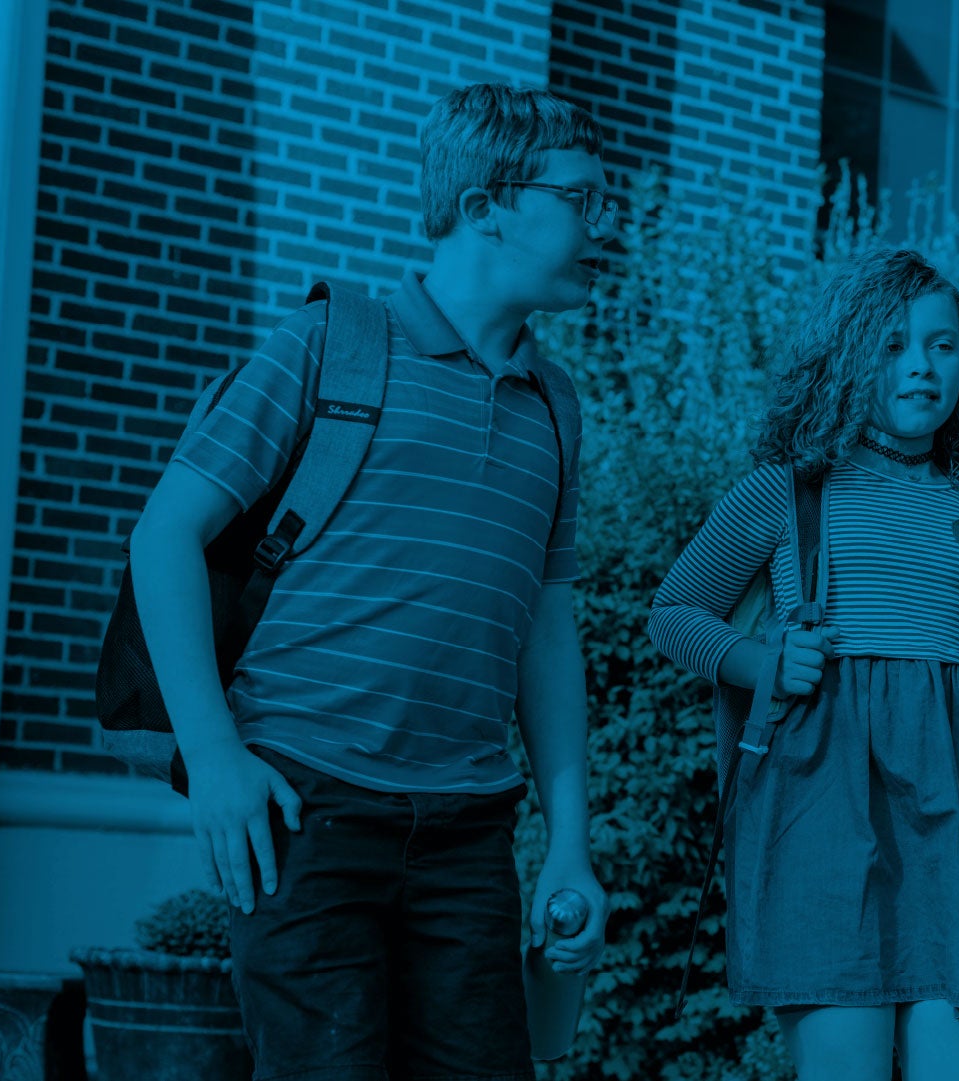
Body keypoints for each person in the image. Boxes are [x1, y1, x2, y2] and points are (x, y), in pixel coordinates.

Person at [127, 83, 612, 1080]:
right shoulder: (330, 346)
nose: (601, 224)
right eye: (582, 199)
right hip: (305, 814)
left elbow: (546, 630)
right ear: (488, 206)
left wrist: (571, 840)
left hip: (469, 832)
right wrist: (216, 759)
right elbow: (165, 534)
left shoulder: (555, 408)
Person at [648, 248, 959, 1081]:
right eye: (892, 345)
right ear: (847, 352)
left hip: (943, 823)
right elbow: (672, 614)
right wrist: (762, 661)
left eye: (942, 344)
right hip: (818, 816)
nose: (922, 367)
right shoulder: (784, 493)